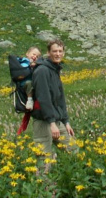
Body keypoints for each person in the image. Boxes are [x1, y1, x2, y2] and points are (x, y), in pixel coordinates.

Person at [31, 39, 78, 169]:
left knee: (73, 149)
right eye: (54, 51)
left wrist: (66, 122)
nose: (57, 54)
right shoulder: (42, 71)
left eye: (60, 51)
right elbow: (43, 98)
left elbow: (60, 99)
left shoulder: (54, 69)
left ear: (63, 53)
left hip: (56, 120)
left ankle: (71, 182)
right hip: (43, 122)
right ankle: (43, 187)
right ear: (48, 53)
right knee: (44, 159)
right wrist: (52, 123)